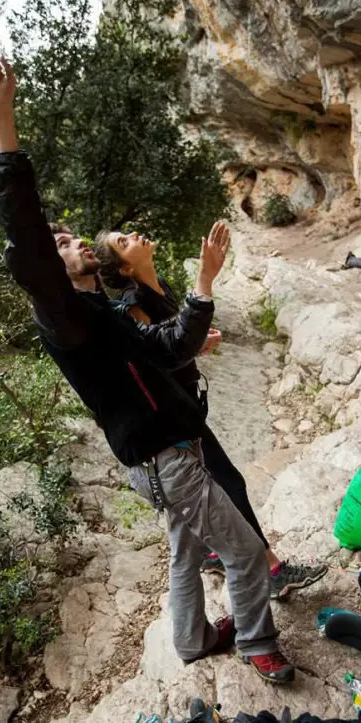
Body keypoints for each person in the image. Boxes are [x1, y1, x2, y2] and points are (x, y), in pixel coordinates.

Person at [0, 45, 296, 683]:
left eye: (72, 237)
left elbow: (170, 348)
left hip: (159, 458)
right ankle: (258, 643)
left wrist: (203, 284)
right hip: (166, 458)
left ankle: (194, 639)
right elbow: (30, 249)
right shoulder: (64, 316)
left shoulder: (107, 314)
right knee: (246, 554)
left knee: (182, 552)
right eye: (63, 244)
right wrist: (2, 122)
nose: (73, 242)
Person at [94, 232, 328, 600]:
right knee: (230, 483)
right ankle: (271, 571)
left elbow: (168, 348)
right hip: (169, 425)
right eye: (123, 241)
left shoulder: (158, 289)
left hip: (183, 411)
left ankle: (218, 554)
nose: (133, 234)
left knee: (220, 487)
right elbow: (150, 365)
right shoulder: (133, 305)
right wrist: (205, 282)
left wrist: (195, 346)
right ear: (126, 268)